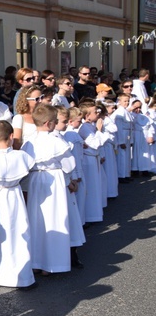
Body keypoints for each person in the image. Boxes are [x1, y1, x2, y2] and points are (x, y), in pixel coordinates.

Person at [21, 104, 76, 275]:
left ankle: (36, 262)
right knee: (55, 218)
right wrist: (68, 181)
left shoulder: (29, 141)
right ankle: (52, 263)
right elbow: (69, 164)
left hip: (36, 180)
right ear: (48, 123)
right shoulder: (55, 141)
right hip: (54, 180)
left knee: (37, 219)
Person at [0, 121, 36, 289]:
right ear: (11, 136)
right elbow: (29, 166)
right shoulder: (20, 156)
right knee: (18, 233)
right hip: (14, 196)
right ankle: (21, 276)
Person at [52, 107, 86, 268]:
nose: (65, 125)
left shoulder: (63, 137)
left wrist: (72, 178)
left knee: (70, 217)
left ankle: (72, 252)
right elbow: (65, 164)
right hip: (60, 182)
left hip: (64, 180)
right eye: (63, 121)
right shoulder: (55, 140)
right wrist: (69, 180)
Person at [12, 85, 42, 149]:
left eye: (42, 97)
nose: (40, 101)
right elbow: (16, 143)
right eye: (37, 99)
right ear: (26, 100)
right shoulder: (19, 118)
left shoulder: (43, 115)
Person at [112, 93, 133, 182]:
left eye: (128, 101)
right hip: (122, 134)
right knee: (121, 156)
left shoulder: (126, 111)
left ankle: (126, 174)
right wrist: (121, 141)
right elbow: (119, 127)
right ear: (119, 102)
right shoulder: (119, 112)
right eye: (124, 101)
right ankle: (121, 175)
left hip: (127, 134)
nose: (127, 103)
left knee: (126, 156)